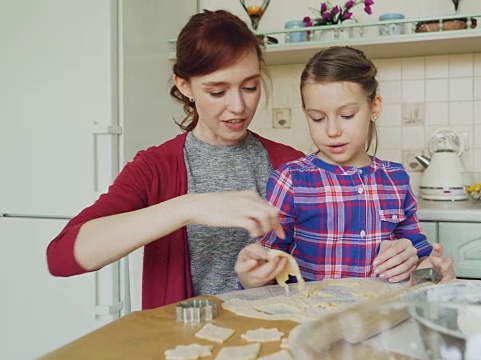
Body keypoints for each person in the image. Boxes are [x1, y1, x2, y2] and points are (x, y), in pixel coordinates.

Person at [46, 10, 304, 309]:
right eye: (217, 91)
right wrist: (190, 206)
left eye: (250, 87)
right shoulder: (155, 168)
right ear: (184, 85)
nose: (238, 106)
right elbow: (62, 255)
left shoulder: (290, 164)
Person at [235, 46, 454, 289]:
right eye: (317, 118)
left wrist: (432, 268)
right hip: (313, 319)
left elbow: (419, 253)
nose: (332, 131)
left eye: (347, 115)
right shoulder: (291, 180)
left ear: (374, 107)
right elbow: (268, 262)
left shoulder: (395, 178)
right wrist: (251, 275)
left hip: (382, 316)